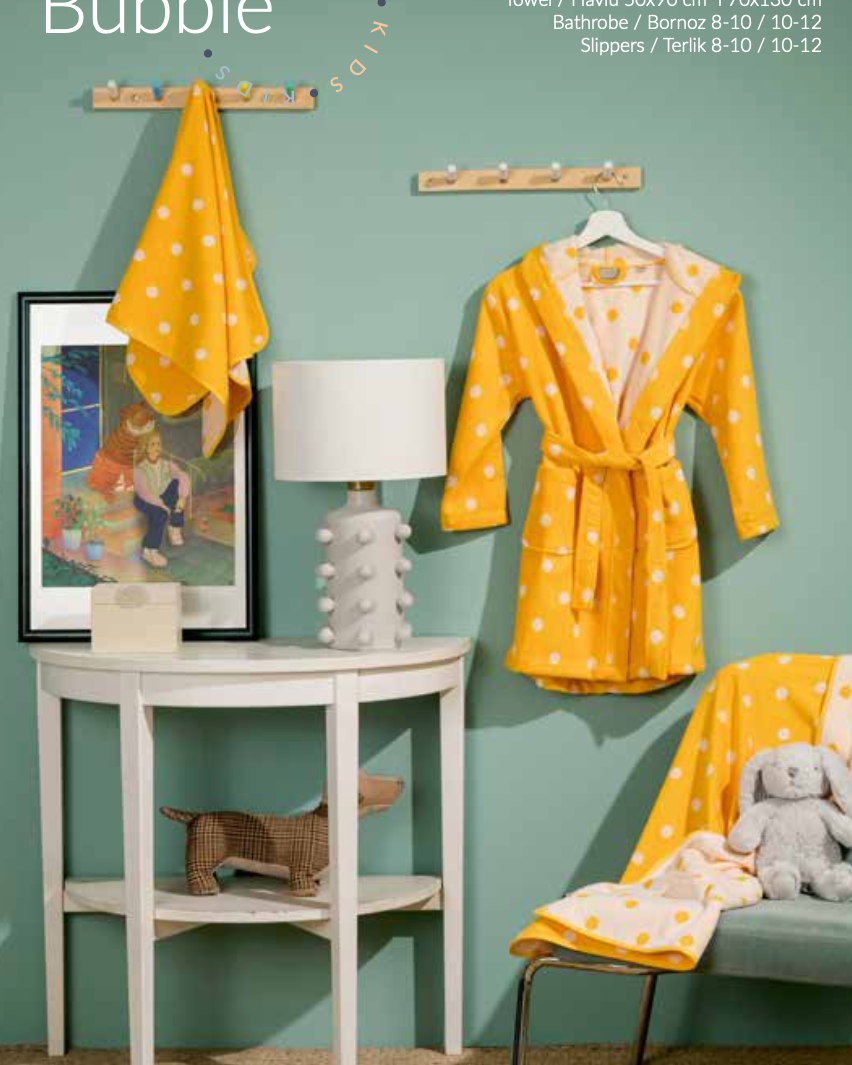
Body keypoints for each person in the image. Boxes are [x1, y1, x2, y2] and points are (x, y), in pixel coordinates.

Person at [133, 430, 190, 568]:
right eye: (152, 444)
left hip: (160, 495)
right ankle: (149, 550)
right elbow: (145, 493)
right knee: (160, 513)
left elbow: (183, 476)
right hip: (144, 499)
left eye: (158, 444)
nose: (157, 447)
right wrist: (162, 505)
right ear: (146, 448)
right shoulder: (139, 469)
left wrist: (182, 497)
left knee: (176, 483)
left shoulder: (166, 464)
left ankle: (174, 527)